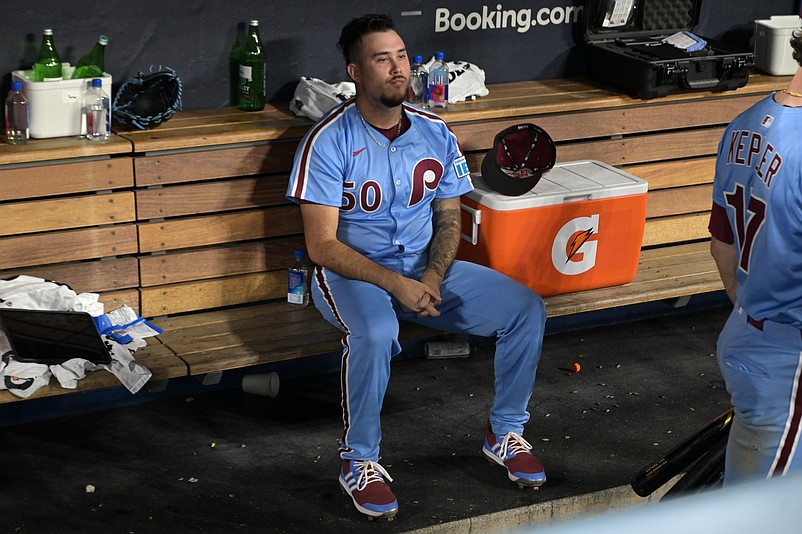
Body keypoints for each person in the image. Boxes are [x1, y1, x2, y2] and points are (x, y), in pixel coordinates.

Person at [286, 13, 547, 520]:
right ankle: (358, 462)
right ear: (356, 71)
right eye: (382, 59)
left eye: (402, 55)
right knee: (378, 332)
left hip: (423, 271)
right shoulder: (328, 141)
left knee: (525, 309)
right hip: (350, 275)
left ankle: (506, 431)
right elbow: (321, 246)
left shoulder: (434, 131)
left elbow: (450, 215)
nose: (397, 67)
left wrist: (428, 277)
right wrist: (396, 285)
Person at [708, 29, 802, 486]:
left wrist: (748, 306)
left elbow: (721, 239)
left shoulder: (745, 122)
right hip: (790, 365)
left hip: (747, 333)